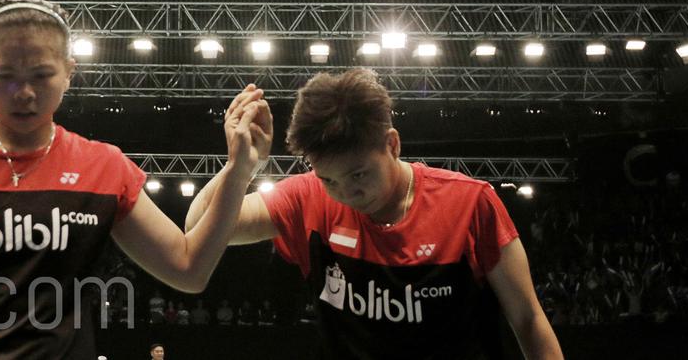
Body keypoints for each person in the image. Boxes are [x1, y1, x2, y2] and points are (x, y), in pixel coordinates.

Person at [0, 0, 271, 360]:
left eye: (42, 76)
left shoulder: (104, 166)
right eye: (5, 76)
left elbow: (189, 270)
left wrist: (238, 173)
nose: (23, 93)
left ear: (69, 71)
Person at [186, 68, 564, 359]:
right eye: (329, 180)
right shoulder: (309, 198)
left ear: (392, 144)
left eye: (359, 174)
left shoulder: (471, 204)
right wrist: (241, 168)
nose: (347, 194)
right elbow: (199, 228)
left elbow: (528, 321)